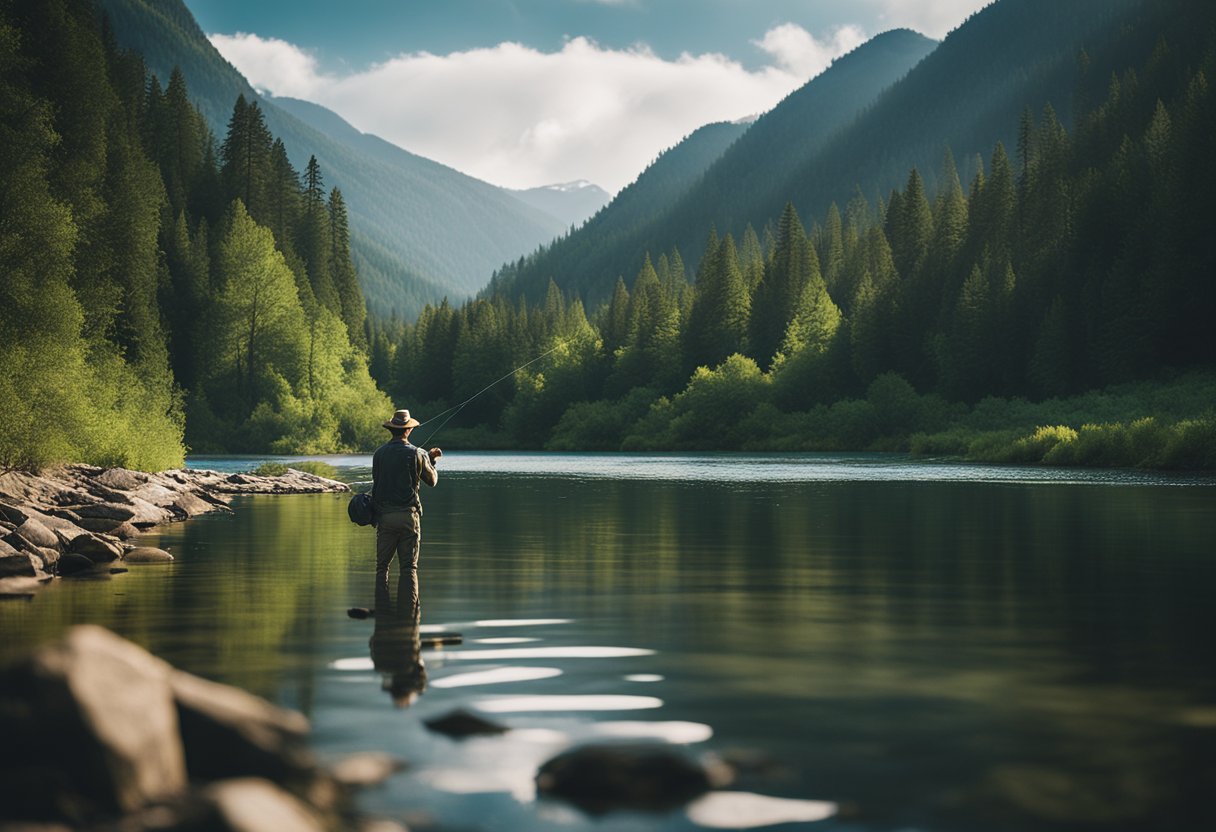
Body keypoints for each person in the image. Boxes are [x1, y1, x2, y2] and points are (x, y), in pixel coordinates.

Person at [371, 408, 441, 588]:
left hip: (385, 517)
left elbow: (377, 484)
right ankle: (408, 614)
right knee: (409, 568)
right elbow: (432, 481)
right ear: (408, 430)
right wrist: (432, 461)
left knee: (381, 567)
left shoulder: (379, 454)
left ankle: (383, 610)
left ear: (391, 429)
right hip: (408, 517)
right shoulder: (418, 453)